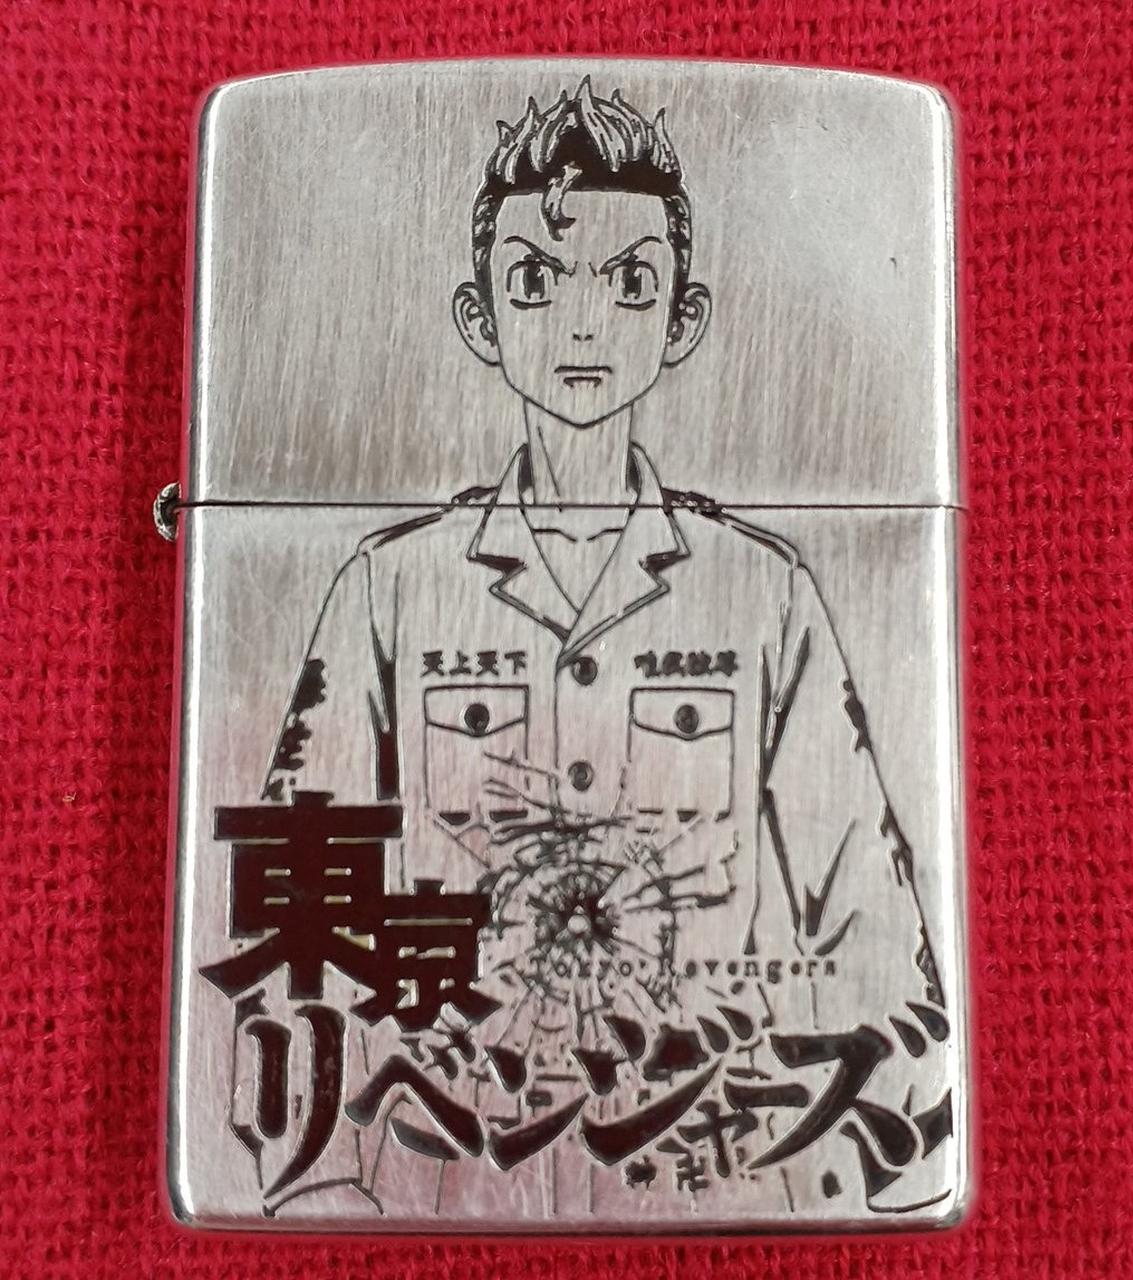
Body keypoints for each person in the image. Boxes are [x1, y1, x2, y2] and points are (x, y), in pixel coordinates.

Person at [248, 78, 950, 1214]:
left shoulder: (761, 589)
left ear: (682, 319)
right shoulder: (390, 584)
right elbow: (294, 891)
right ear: (480, 317)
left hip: (714, 1154)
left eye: (629, 283)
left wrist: (893, 1171)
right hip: (437, 1154)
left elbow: (863, 905)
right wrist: (312, 1173)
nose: (583, 324)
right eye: (536, 281)